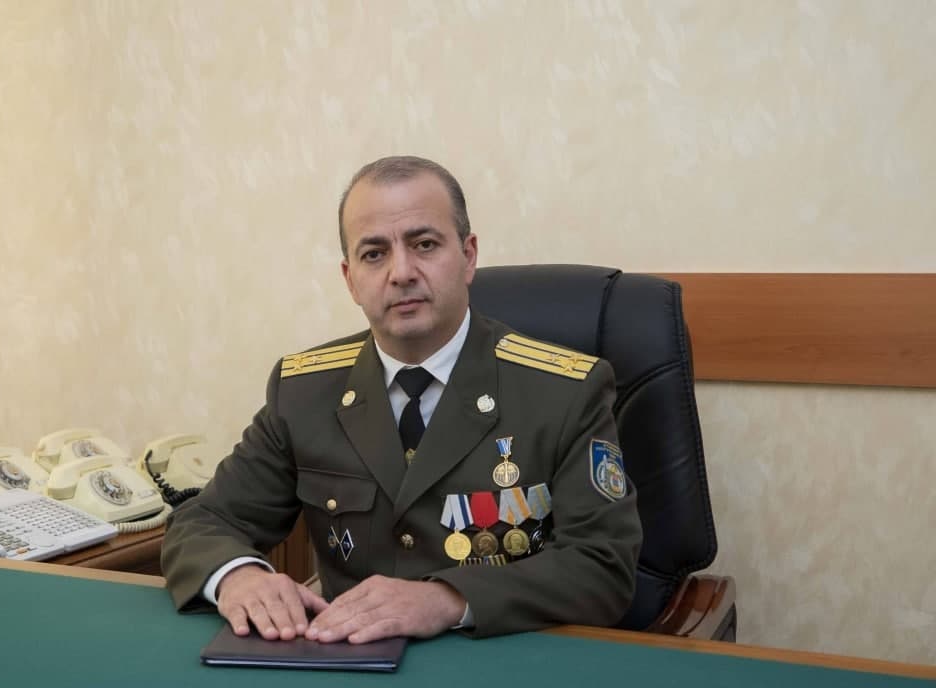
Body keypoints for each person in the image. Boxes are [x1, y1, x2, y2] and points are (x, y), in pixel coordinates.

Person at [161, 156, 641, 643]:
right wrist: (238, 576)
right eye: (374, 254)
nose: (401, 272)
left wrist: (448, 599)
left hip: (500, 660)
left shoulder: (563, 391)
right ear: (350, 279)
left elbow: (603, 565)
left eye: (424, 244)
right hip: (347, 664)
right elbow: (203, 521)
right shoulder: (304, 391)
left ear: (469, 255)